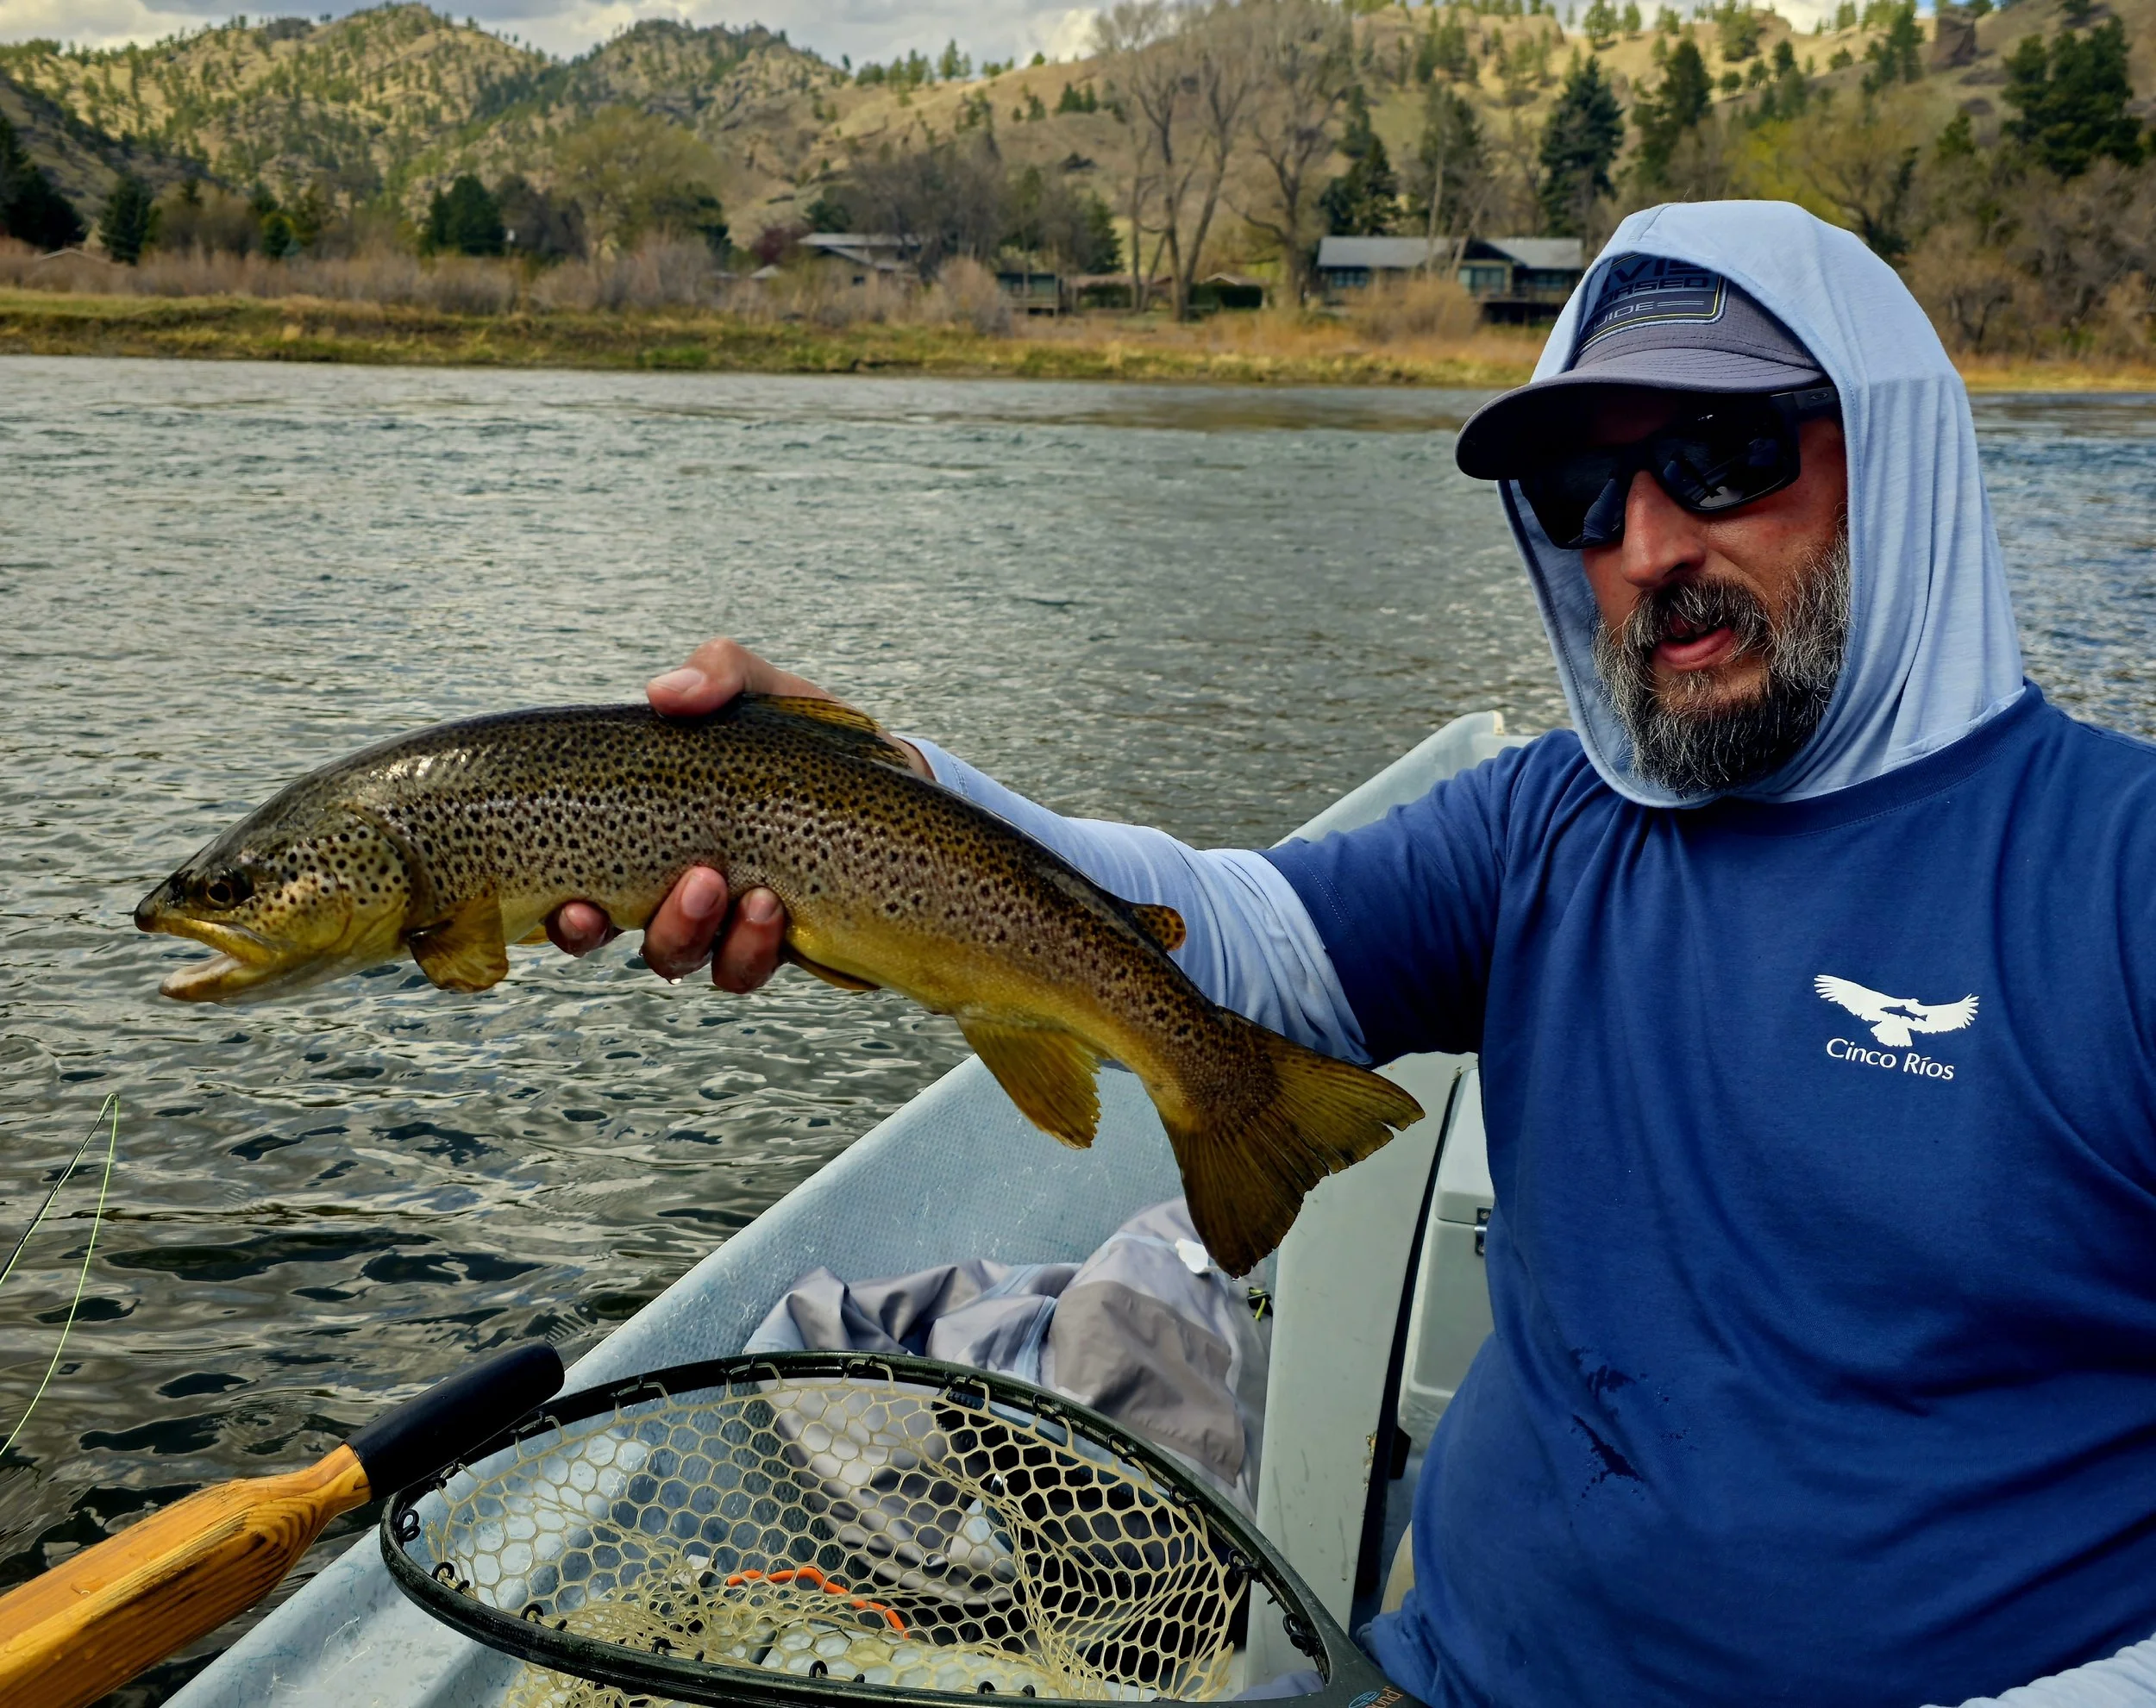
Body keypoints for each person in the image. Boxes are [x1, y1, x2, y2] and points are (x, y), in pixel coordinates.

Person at [548, 202, 2156, 1706]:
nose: (1649, 546)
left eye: (1722, 455)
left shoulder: (2119, 877)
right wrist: (888, 795)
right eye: (1583, 498)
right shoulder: (1550, 825)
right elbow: (1241, 937)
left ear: (1898, 452)